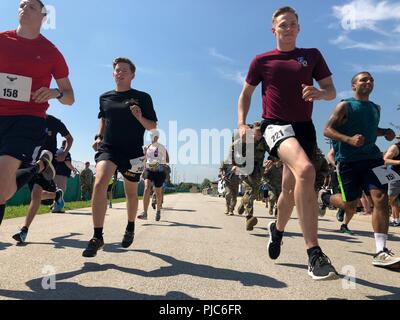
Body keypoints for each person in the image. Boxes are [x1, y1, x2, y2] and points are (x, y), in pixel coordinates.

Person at [238, 6, 338, 280]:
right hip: (275, 125)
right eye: (283, 24)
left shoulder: (312, 56)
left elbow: (331, 91)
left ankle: (277, 230)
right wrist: (242, 123)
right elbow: (246, 94)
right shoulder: (262, 61)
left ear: (299, 28)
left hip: (304, 129)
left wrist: (320, 93)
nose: (288, 28)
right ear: (274, 30)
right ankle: (314, 253)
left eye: (293, 24)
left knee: (289, 189)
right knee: (306, 170)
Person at [0, 0, 74, 226]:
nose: (24, 8)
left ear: (43, 17)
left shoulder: (51, 52)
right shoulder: (2, 40)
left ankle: (39, 166)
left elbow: (69, 96)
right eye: (21, 5)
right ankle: (40, 166)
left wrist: (54, 93)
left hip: (27, 120)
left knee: (1, 186)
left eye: (31, 6)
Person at [320, 71, 400, 268]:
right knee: (350, 205)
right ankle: (324, 197)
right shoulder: (345, 105)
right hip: (348, 161)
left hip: (373, 159)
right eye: (363, 79)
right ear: (354, 85)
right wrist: (348, 140)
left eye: (371, 79)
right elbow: (327, 130)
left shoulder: (375, 108)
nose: (369, 81)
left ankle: (381, 251)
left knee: (380, 199)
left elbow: (372, 130)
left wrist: (385, 133)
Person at [83, 57, 157, 258]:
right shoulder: (105, 97)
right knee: (99, 183)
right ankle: (97, 236)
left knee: (131, 193)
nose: (120, 72)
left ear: (132, 75)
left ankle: (130, 226)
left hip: (133, 152)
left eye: (125, 70)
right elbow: (103, 119)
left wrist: (139, 116)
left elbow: (152, 126)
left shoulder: (143, 97)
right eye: (117, 70)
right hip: (109, 148)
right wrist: (98, 136)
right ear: (113, 74)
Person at [12, 114, 73, 243]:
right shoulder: (28, 120)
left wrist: (64, 153)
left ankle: (24, 230)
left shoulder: (54, 121)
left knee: (35, 194)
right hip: (30, 161)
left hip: (49, 161)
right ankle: (56, 195)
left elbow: (69, 138)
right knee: (37, 196)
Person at [236, 124, 268, 231]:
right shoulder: (246, 140)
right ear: (253, 132)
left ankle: (242, 204)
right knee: (250, 191)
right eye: (257, 132)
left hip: (258, 171)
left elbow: (274, 151)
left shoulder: (264, 141)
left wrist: (272, 159)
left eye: (261, 133)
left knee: (254, 192)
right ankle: (249, 218)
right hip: (246, 168)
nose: (259, 134)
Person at [138, 130, 169, 221]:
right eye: (152, 136)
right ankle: (145, 213)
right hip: (148, 169)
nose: (153, 138)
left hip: (159, 171)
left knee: (158, 192)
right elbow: (144, 159)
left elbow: (167, 160)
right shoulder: (147, 147)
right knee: (147, 187)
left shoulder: (162, 147)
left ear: (157, 137)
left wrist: (159, 163)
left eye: (155, 136)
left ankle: (158, 211)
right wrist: (143, 170)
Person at [384, 138, 400, 227]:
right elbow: (385, 160)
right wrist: (399, 162)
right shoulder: (395, 147)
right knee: (392, 199)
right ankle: (396, 219)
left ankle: (395, 219)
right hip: (395, 177)